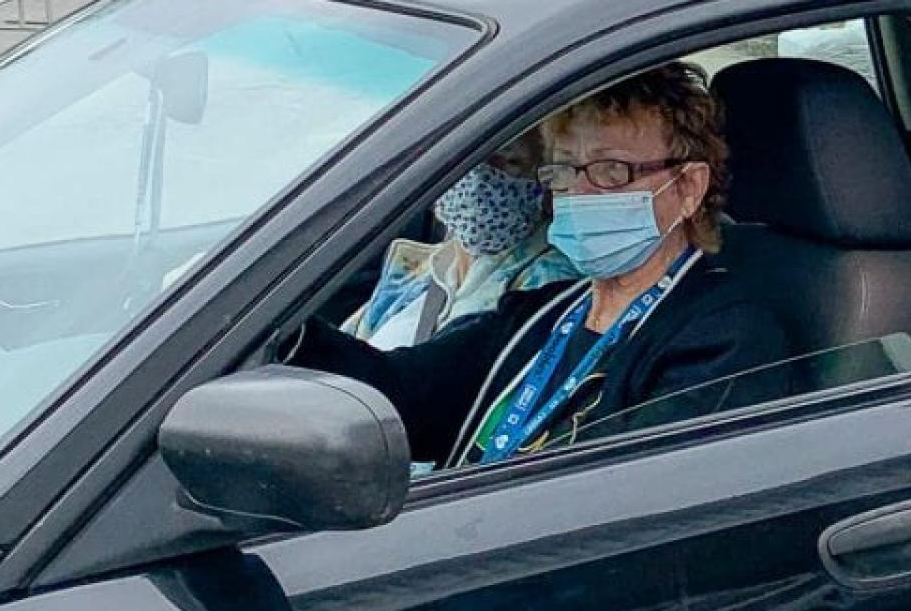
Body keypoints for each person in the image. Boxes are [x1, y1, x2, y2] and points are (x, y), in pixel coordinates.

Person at [294, 62, 790, 470]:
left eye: (610, 170)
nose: (579, 190)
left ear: (686, 188)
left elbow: (636, 505)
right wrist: (282, 332)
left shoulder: (724, 338)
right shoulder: (544, 313)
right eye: (565, 169)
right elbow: (396, 393)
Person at [341, 129, 577, 350]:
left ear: (544, 183)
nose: (479, 177)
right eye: (469, 161)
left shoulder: (546, 286)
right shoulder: (420, 271)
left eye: (509, 163)